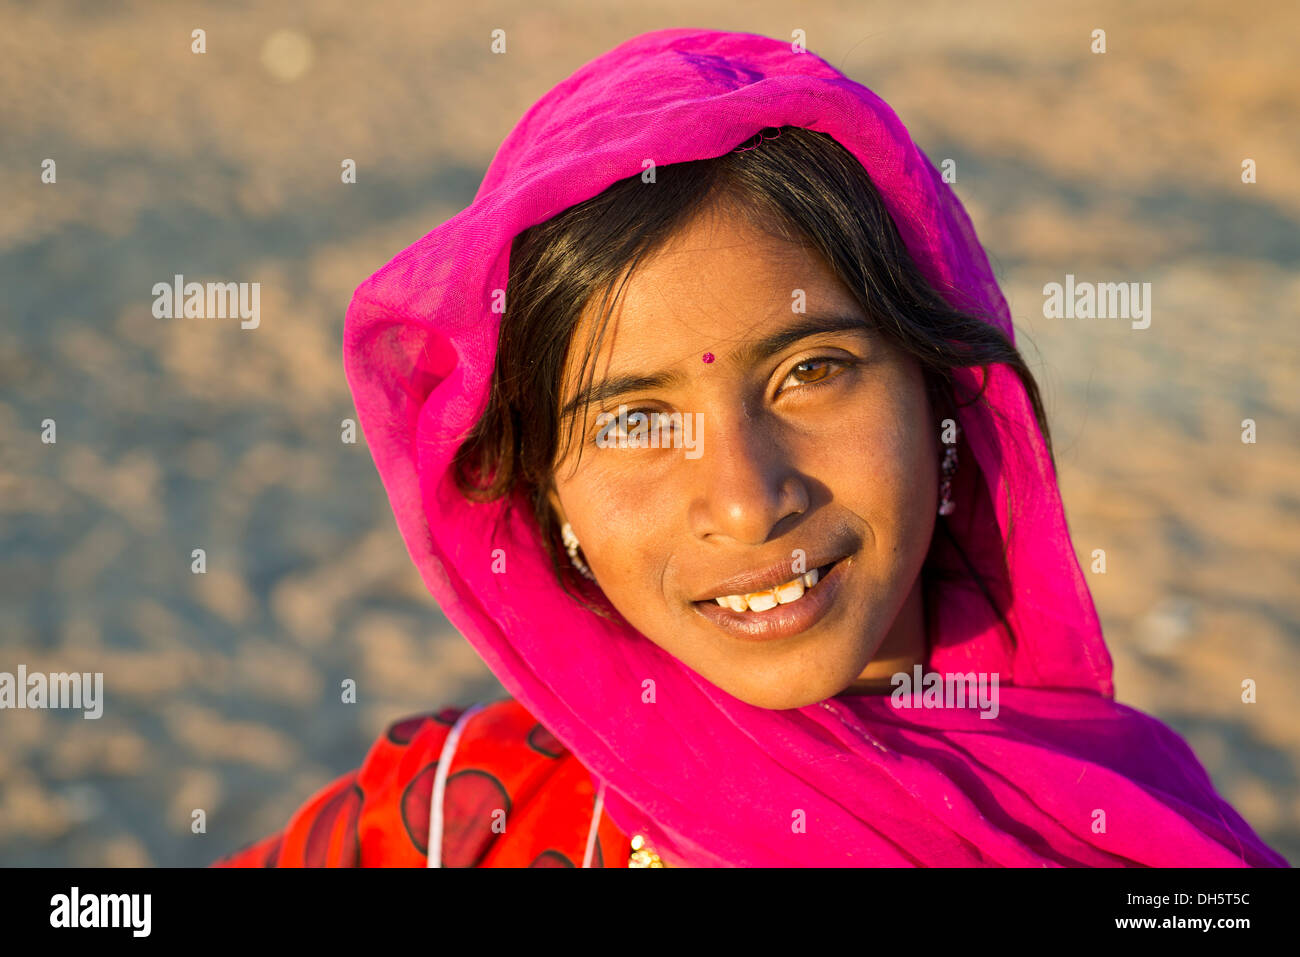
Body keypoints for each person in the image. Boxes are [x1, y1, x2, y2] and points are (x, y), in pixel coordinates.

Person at [213, 27, 1288, 868]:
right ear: (546, 502)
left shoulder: (1114, 832)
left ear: (941, 396)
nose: (746, 500)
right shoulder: (451, 817)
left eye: (811, 371)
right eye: (633, 421)